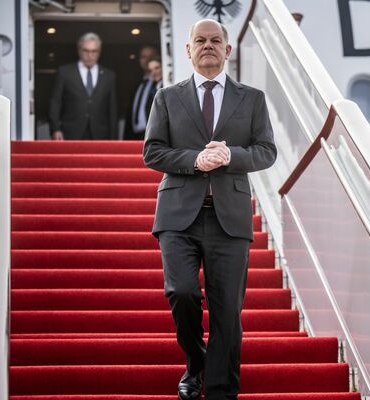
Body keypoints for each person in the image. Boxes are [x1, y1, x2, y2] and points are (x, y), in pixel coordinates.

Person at [143, 19, 277, 400]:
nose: (208, 46)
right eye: (199, 40)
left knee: (226, 311)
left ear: (227, 50)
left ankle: (220, 390)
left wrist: (231, 155)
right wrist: (195, 160)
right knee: (181, 292)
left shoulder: (252, 99)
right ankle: (196, 362)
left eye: (215, 40)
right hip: (178, 216)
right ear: (188, 50)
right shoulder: (167, 98)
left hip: (229, 218)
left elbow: (266, 151)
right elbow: (152, 152)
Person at [49, 32, 118, 140]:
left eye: (94, 51)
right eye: (86, 51)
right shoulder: (65, 72)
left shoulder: (109, 76)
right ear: (79, 50)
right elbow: (55, 103)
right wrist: (55, 129)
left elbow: (112, 109)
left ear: (99, 52)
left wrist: (114, 138)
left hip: (100, 135)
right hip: (70, 133)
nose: (90, 55)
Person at [125, 46, 160, 140]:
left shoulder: (161, 83)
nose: (147, 60)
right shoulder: (137, 84)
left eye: (151, 56)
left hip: (153, 136)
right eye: (143, 57)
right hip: (134, 136)